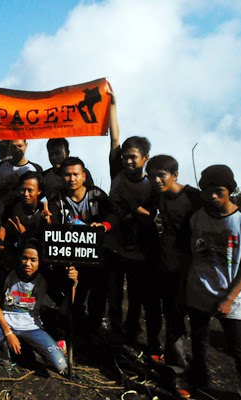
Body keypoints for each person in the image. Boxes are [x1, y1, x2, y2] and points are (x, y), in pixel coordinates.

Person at [106, 92, 162, 352]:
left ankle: (131, 333)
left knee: (136, 298)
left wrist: (135, 210)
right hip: (114, 246)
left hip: (138, 250)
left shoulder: (152, 186)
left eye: (134, 157)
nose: (128, 160)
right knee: (114, 294)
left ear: (145, 158)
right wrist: (112, 107)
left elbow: (151, 218)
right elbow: (114, 138)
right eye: (125, 156)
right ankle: (116, 333)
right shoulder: (117, 173)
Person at [0, 238, 78, 375]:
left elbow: (66, 301)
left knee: (61, 366)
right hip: (3, 322)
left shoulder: (45, 277)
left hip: (31, 326)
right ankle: (4, 346)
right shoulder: (6, 273)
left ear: (40, 261)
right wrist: (8, 333)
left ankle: (22, 346)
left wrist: (74, 282)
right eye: (25, 258)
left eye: (33, 260)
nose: (28, 264)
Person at [185, 165, 241, 388]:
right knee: (198, 345)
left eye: (219, 190)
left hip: (233, 297)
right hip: (199, 292)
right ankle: (200, 385)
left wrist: (229, 299)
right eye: (207, 190)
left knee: (238, 352)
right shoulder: (196, 217)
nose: (212, 196)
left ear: (230, 189)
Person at [48, 156, 113, 342]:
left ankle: (92, 331)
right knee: (69, 294)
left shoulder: (97, 195)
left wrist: (104, 225)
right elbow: (52, 226)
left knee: (98, 294)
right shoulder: (56, 199)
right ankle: (65, 333)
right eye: (67, 175)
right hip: (69, 257)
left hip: (95, 255)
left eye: (76, 174)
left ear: (84, 175)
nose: (72, 179)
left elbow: (112, 215)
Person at [146, 155, 202, 369]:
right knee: (168, 313)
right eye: (152, 177)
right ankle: (173, 363)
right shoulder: (159, 196)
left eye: (161, 176)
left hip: (187, 269)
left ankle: (183, 368)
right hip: (165, 265)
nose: (156, 181)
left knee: (179, 317)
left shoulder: (193, 198)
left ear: (175, 175)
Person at [0, 140, 43, 215]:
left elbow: (39, 194)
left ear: (26, 145)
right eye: (13, 146)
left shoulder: (35, 168)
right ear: (9, 147)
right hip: (3, 213)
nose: (16, 149)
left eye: (19, 146)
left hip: (26, 214)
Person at [0, 171, 49, 253]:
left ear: (39, 191)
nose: (26, 194)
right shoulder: (11, 207)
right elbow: (2, 227)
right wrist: (0, 246)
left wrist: (46, 221)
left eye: (30, 190)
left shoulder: (45, 210)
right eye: (23, 190)